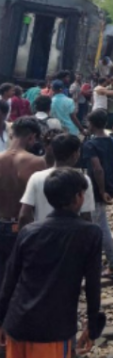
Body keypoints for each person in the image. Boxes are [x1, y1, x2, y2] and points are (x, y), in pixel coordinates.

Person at [0, 168, 105, 358]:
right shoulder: (90, 233)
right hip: (52, 330)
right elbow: (93, 285)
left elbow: (9, 280)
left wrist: (1, 319)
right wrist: (92, 327)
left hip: (17, 324)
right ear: (78, 197)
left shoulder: (29, 232)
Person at [0, 118, 46, 289]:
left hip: (1, 222)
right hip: (25, 226)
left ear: (12, 134)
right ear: (32, 137)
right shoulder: (36, 162)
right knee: (24, 278)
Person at [19, 133, 96, 226]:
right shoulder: (83, 179)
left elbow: (24, 215)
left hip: (43, 236)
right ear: (75, 154)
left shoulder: (36, 177)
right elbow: (86, 216)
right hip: (72, 237)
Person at [82, 109, 113, 278]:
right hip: (108, 186)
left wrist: (101, 190)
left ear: (91, 124)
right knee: (100, 224)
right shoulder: (112, 140)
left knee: (99, 227)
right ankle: (110, 263)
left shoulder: (90, 144)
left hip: (98, 189)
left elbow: (97, 169)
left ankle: (110, 265)